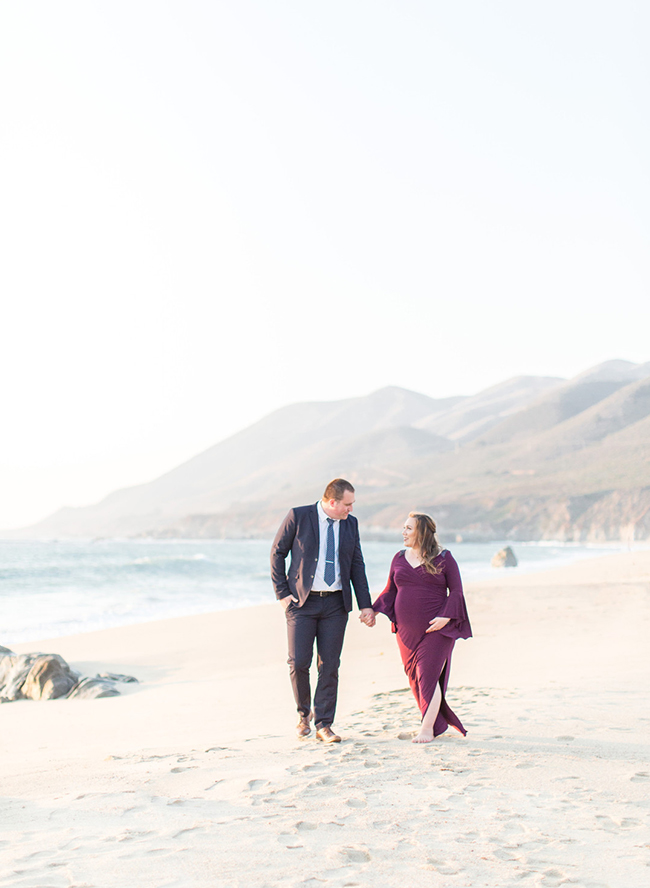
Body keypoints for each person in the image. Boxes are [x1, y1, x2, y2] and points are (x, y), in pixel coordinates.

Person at [271, 478, 376, 743]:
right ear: (332, 502)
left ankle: (324, 724)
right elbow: (277, 553)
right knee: (299, 662)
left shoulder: (350, 524)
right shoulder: (299, 516)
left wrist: (365, 604)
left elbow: (357, 564)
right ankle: (303, 715)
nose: (350, 510)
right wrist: (282, 594)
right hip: (301, 604)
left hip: (335, 605)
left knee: (329, 665)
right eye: (347, 504)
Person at [371, 512, 472, 743]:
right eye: (404, 528)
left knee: (427, 677)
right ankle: (436, 723)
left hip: (437, 629)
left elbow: (456, 591)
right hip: (406, 632)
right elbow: (390, 591)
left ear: (422, 532)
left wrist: (446, 617)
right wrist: (373, 610)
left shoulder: (445, 557)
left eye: (408, 528)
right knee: (415, 678)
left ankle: (426, 729)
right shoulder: (398, 557)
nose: (403, 532)